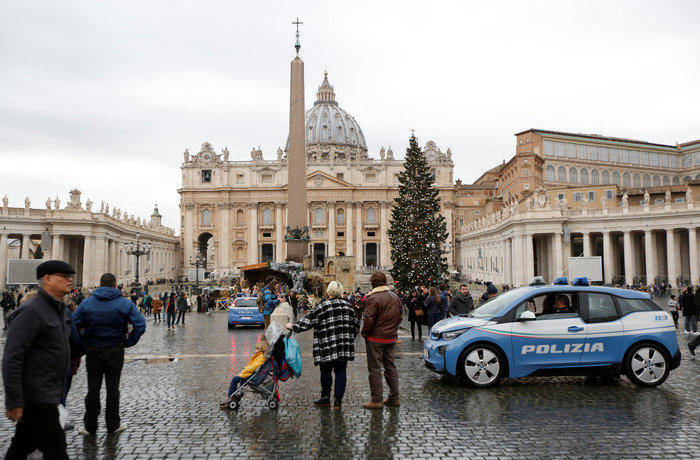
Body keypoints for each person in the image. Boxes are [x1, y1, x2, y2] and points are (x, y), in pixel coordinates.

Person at [2, 260, 75, 459]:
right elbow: (12, 358)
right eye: (64, 276)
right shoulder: (31, 311)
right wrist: (14, 400)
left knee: (20, 448)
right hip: (37, 397)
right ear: (48, 279)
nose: (70, 280)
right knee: (57, 451)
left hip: (48, 393)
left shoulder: (58, 310)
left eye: (70, 276)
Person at [71, 273, 146, 435]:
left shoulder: (87, 302)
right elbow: (140, 325)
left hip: (93, 350)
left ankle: (90, 426)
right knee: (113, 389)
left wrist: (82, 343)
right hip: (115, 349)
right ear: (115, 284)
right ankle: (113, 425)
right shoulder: (125, 303)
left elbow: (72, 325)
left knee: (93, 389)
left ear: (100, 284)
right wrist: (128, 342)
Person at [286, 281, 360, 410]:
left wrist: (293, 326)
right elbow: (356, 325)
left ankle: (325, 397)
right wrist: (349, 337)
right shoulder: (348, 306)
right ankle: (338, 400)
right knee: (341, 371)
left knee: (325, 371)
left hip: (326, 344)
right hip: (343, 345)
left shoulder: (323, 306)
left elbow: (309, 320)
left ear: (328, 292)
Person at [360, 271, 403, 410]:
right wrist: (393, 330)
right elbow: (400, 316)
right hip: (390, 337)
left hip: (375, 338)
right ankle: (394, 397)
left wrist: (364, 333)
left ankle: (377, 399)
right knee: (391, 367)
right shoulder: (395, 297)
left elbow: (369, 319)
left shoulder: (372, 298)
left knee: (375, 369)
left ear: (372, 282)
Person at [223, 337, 269, 404]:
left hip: (250, 376)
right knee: (237, 379)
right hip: (250, 374)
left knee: (235, 379)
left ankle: (231, 396)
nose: (255, 350)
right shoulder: (258, 356)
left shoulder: (261, 357)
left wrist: (244, 371)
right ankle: (234, 394)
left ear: (261, 349)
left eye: (257, 349)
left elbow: (253, 367)